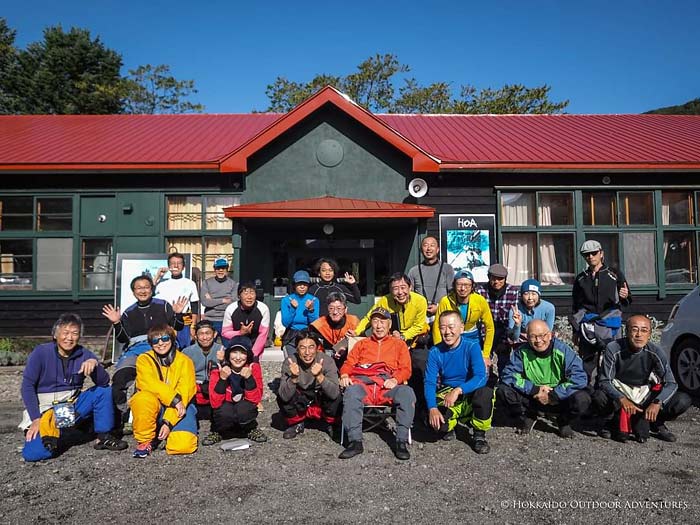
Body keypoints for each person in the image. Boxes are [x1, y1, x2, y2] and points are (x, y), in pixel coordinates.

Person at [20, 313, 127, 461]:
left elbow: (103, 383)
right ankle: (66, 432)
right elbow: (27, 386)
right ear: (55, 334)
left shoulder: (84, 353)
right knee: (34, 453)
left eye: (74, 333)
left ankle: (103, 436)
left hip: (71, 406)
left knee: (103, 391)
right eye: (65, 333)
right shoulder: (41, 352)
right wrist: (36, 419)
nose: (69, 338)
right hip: (45, 411)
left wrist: (94, 366)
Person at [102, 274, 187, 432]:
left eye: (146, 287)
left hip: (162, 346)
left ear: (152, 289)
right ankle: (122, 416)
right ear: (133, 292)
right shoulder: (129, 312)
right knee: (120, 377)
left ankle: (166, 412)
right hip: (136, 349)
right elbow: (123, 339)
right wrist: (116, 323)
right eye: (139, 288)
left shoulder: (163, 305)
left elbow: (179, 327)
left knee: (151, 380)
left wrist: (178, 314)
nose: (143, 290)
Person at [592, 315, 691, 444]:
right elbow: (605, 381)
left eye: (644, 330)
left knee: (682, 400)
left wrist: (657, 402)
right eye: (634, 329)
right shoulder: (613, 348)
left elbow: (670, 382)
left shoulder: (655, 351)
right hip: (620, 392)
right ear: (627, 332)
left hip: (643, 392)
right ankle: (610, 421)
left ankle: (656, 422)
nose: (639, 335)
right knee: (599, 396)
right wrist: (621, 398)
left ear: (649, 334)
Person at [338, 308, 415, 460]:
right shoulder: (361, 344)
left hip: (386, 387)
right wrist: (345, 374)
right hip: (364, 386)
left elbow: (406, 369)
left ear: (389, 324)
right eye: (375, 321)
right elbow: (349, 363)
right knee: (351, 392)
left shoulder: (399, 345)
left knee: (407, 392)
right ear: (370, 324)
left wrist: (396, 379)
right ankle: (355, 442)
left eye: (383, 321)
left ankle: (400, 441)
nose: (379, 326)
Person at [498, 320, 591, 438]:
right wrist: (534, 389)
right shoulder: (521, 352)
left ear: (550, 335)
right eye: (533, 336)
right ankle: (528, 415)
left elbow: (579, 377)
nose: (538, 340)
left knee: (582, 398)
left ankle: (563, 420)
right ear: (527, 337)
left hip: (558, 397)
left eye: (542, 335)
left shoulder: (563, 350)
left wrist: (554, 394)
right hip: (532, 396)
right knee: (503, 390)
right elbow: (508, 375)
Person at [352, 273, 428, 415]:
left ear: (410, 287)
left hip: (414, 341)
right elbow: (370, 317)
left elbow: (419, 325)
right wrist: (357, 332)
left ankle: (421, 408)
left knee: (421, 367)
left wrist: (404, 336)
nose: (400, 292)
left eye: (403, 287)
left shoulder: (420, 301)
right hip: (393, 343)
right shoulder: (384, 301)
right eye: (395, 289)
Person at [424, 311, 493, 454]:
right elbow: (429, 382)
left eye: (451, 327)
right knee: (435, 423)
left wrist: (458, 390)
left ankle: (479, 435)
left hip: (469, 390)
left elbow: (481, 377)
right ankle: (452, 423)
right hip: (447, 392)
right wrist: (432, 408)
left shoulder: (472, 346)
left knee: (485, 393)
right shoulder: (435, 352)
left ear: (461, 328)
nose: (447, 332)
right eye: (442, 327)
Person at [131, 324, 198, 458]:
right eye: (155, 340)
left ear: (172, 339)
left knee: (182, 445)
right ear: (151, 343)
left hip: (180, 408)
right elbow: (148, 383)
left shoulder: (185, 361)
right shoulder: (144, 360)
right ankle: (145, 441)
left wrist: (168, 422)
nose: (160, 343)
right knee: (142, 398)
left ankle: (166, 433)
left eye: (165, 339)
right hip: (157, 406)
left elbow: (185, 391)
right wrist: (174, 399)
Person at [569, 240, 631, 384]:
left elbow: (627, 301)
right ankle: (591, 393)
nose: (590, 257)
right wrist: (575, 331)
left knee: (613, 359)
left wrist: (625, 296)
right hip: (588, 325)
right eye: (586, 254)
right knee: (588, 362)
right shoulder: (581, 278)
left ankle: (612, 392)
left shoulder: (614, 274)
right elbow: (576, 306)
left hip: (610, 324)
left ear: (601, 253)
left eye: (594, 253)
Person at [277, 330, 341, 439]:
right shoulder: (290, 362)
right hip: (302, 396)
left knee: (337, 396)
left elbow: (335, 394)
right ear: (297, 349)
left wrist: (320, 376)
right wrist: (293, 378)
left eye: (311, 347)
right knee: (283, 395)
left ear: (317, 348)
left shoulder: (327, 361)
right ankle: (296, 423)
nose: (307, 352)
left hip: (320, 396)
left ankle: (330, 423)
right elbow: (283, 396)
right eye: (302, 348)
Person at [208, 336, 267, 443]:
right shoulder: (218, 368)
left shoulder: (253, 368)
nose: (238, 357)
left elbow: (255, 399)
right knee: (224, 411)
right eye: (234, 352)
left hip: (243, 406)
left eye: (242, 353)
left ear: (248, 355)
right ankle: (220, 431)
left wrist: (249, 379)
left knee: (244, 408)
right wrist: (222, 380)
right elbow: (214, 402)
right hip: (226, 407)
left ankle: (249, 428)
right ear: (228, 354)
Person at [432, 270, 495, 367]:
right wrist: (439, 349)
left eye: (467, 285)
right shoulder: (445, 301)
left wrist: (486, 354)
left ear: (472, 286)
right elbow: (437, 326)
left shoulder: (480, 301)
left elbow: (489, 327)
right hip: (452, 337)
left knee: (477, 367)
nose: (463, 288)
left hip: (473, 337)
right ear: (454, 285)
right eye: (459, 285)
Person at [181, 320, 224, 444]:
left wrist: (223, 361)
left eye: (208, 333)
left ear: (214, 334)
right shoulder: (187, 352)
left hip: (214, 389)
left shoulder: (222, 350)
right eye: (201, 334)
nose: (205, 337)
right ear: (195, 335)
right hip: (196, 389)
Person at [476, 263, 519, 377]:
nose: (496, 282)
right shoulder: (480, 291)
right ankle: (485, 384)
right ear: (488, 277)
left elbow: (512, 318)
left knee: (504, 363)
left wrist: (506, 339)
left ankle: (503, 384)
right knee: (483, 362)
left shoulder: (513, 291)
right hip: (485, 329)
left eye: (500, 279)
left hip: (503, 329)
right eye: (493, 278)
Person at [155, 252, 200, 349]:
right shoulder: (162, 284)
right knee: (166, 348)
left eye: (179, 263)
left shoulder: (190, 283)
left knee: (185, 350)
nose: (176, 266)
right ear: (169, 266)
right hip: (166, 322)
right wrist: (157, 277)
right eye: (172, 263)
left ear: (183, 267)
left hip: (184, 322)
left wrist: (193, 327)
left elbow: (194, 306)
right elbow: (148, 293)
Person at [407, 236, 455, 323]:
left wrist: (439, 307)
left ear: (437, 249)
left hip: (442, 315)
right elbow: (410, 295)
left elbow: (452, 295)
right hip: (420, 317)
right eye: (425, 245)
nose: (428, 248)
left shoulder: (447, 269)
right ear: (421, 250)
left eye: (432, 245)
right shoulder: (413, 271)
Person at [221, 282, 271, 362]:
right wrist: (240, 333)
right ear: (239, 295)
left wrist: (253, 355)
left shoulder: (263, 309)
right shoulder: (231, 309)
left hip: (255, 346)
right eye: (245, 293)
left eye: (252, 293)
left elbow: (263, 334)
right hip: (236, 346)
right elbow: (225, 333)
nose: (249, 297)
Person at [310, 292, 360, 365]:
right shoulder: (319, 325)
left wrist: (354, 338)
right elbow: (316, 351)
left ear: (345, 309)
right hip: (325, 361)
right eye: (331, 308)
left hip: (350, 360)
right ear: (327, 308)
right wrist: (332, 355)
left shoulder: (353, 322)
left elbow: (363, 344)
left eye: (339, 308)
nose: (335, 312)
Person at [280, 270, 320, 359]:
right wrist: (293, 309)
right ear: (294, 285)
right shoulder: (287, 300)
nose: (302, 287)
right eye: (299, 284)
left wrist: (311, 310)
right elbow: (285, 323)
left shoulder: (314, 300)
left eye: (305, 284)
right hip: (291, 335)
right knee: (292, 362)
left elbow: (315, 322)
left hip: (308, 334)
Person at [200, 257, 237, 347]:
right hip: (210, 320)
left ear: (227, 269)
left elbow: (232, 304)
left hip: (227, 320)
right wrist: (223, 300)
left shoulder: (233, 284)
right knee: (209, 347)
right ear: (214, 269)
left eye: (223, 268)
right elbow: (205, 302)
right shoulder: (207, 283)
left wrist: (212, 301)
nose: (220, 270)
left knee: (229, 348)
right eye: (218, 268)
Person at [508, 279, 556, 346]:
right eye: (526, 294)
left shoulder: (549, 308)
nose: (530, 298)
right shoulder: (515, 310)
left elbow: (548, 333)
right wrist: (517, 324)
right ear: (521, 296)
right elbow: (514, 338)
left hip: (541, 342)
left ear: (539, 295)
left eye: (534, 294)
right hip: (522, 343)